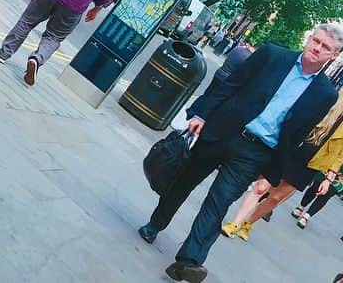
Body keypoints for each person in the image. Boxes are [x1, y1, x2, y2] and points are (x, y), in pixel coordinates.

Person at [138, 23, 343, 283]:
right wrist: (201, 114)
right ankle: (156, 223)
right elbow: (229, 84)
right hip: (223, 131)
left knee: (218, 202)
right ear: (309, 39)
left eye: (326, 47)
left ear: (333, 56)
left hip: (256, 152)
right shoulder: (272, 55)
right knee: (183, 182)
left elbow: (298, 134)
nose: (317, 48)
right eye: (316, 41)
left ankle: (189, 261)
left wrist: (272, 173)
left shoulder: (325, 93)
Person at [221, 89, 343, 238]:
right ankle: (235, 223)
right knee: (261, 187)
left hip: (313, 164)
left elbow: (340, 155)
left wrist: (329, 179)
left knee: (275, 198)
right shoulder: (331, 99)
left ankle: (248, 223)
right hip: (293, 150)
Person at [289, 164, 342, 229]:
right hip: (332, 164)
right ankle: (301, 206)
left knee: (327, 195)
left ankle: (307, 216)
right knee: (315, 186)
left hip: (341, 178)